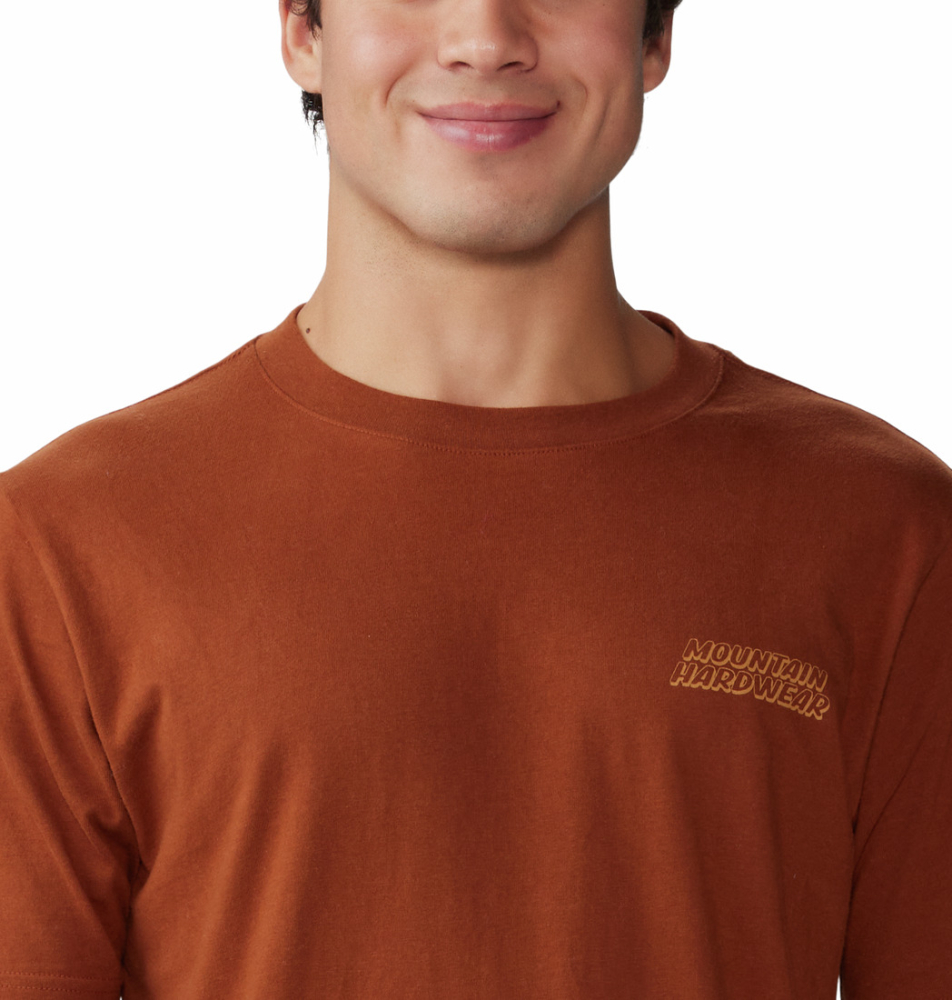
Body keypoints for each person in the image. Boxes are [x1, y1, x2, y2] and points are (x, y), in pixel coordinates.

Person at [0, 0, 949, 998]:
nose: (485, 36)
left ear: (656, 35)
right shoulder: (62, 547)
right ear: (302, 32)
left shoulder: (886, 532)